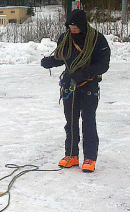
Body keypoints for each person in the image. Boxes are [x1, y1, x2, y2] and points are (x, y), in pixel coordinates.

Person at [41, 9, 110, 172]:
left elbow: (104, 64)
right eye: (70, 27)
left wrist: (85, 73)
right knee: (70, 122)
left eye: (76, 27)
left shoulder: (97, 40)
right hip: (70, 85)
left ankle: (90, 157)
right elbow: (61, 57)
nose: (73, 31)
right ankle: (71, 155)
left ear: (83, 25)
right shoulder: (65, 38)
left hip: (88, 85)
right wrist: (48, 62)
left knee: (88, 122)